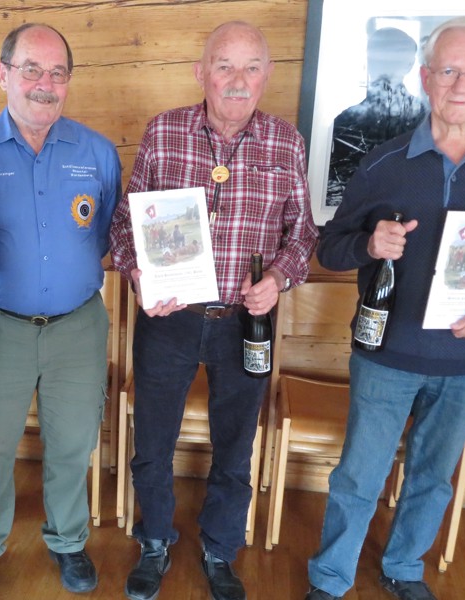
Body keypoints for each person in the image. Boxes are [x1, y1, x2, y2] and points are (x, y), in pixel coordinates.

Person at [306, 17, 465, 600]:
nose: (460, 84)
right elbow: (331, 246)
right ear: (425, 77)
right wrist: (369, 244)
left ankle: (403, 568)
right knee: (358, 477)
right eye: (447, 70)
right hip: (386, 355)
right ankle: (330, 579)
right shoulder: (382, 163)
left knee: (432, 478)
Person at [108, 21, 317, 600]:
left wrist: (277, 279)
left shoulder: (285, 141)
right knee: (152, 439)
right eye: (224, 65)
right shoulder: (164, 131)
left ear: (268, 76)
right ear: (201, 72)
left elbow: (303, 236)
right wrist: (135, 272)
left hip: (246, 325)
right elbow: (125, 223)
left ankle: (220, 548)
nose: (237, 79)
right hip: (169, 321)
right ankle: (154, 540)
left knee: (235, 442)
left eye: (251, 67)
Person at [0, 23, 121, 600]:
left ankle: (68, 540)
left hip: (78, 325)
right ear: (3, 74)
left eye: (57, 73)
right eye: (32, 69)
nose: (44, 84)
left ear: (69, 83)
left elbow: (103, 236)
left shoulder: (96, 151)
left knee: (73, 442)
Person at [327, 26, 427, 206]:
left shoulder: (427, 120)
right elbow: (333, 187)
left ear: (409, 64)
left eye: (391, 59)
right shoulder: (345, 121)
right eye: (376, 59)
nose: (382, 68)